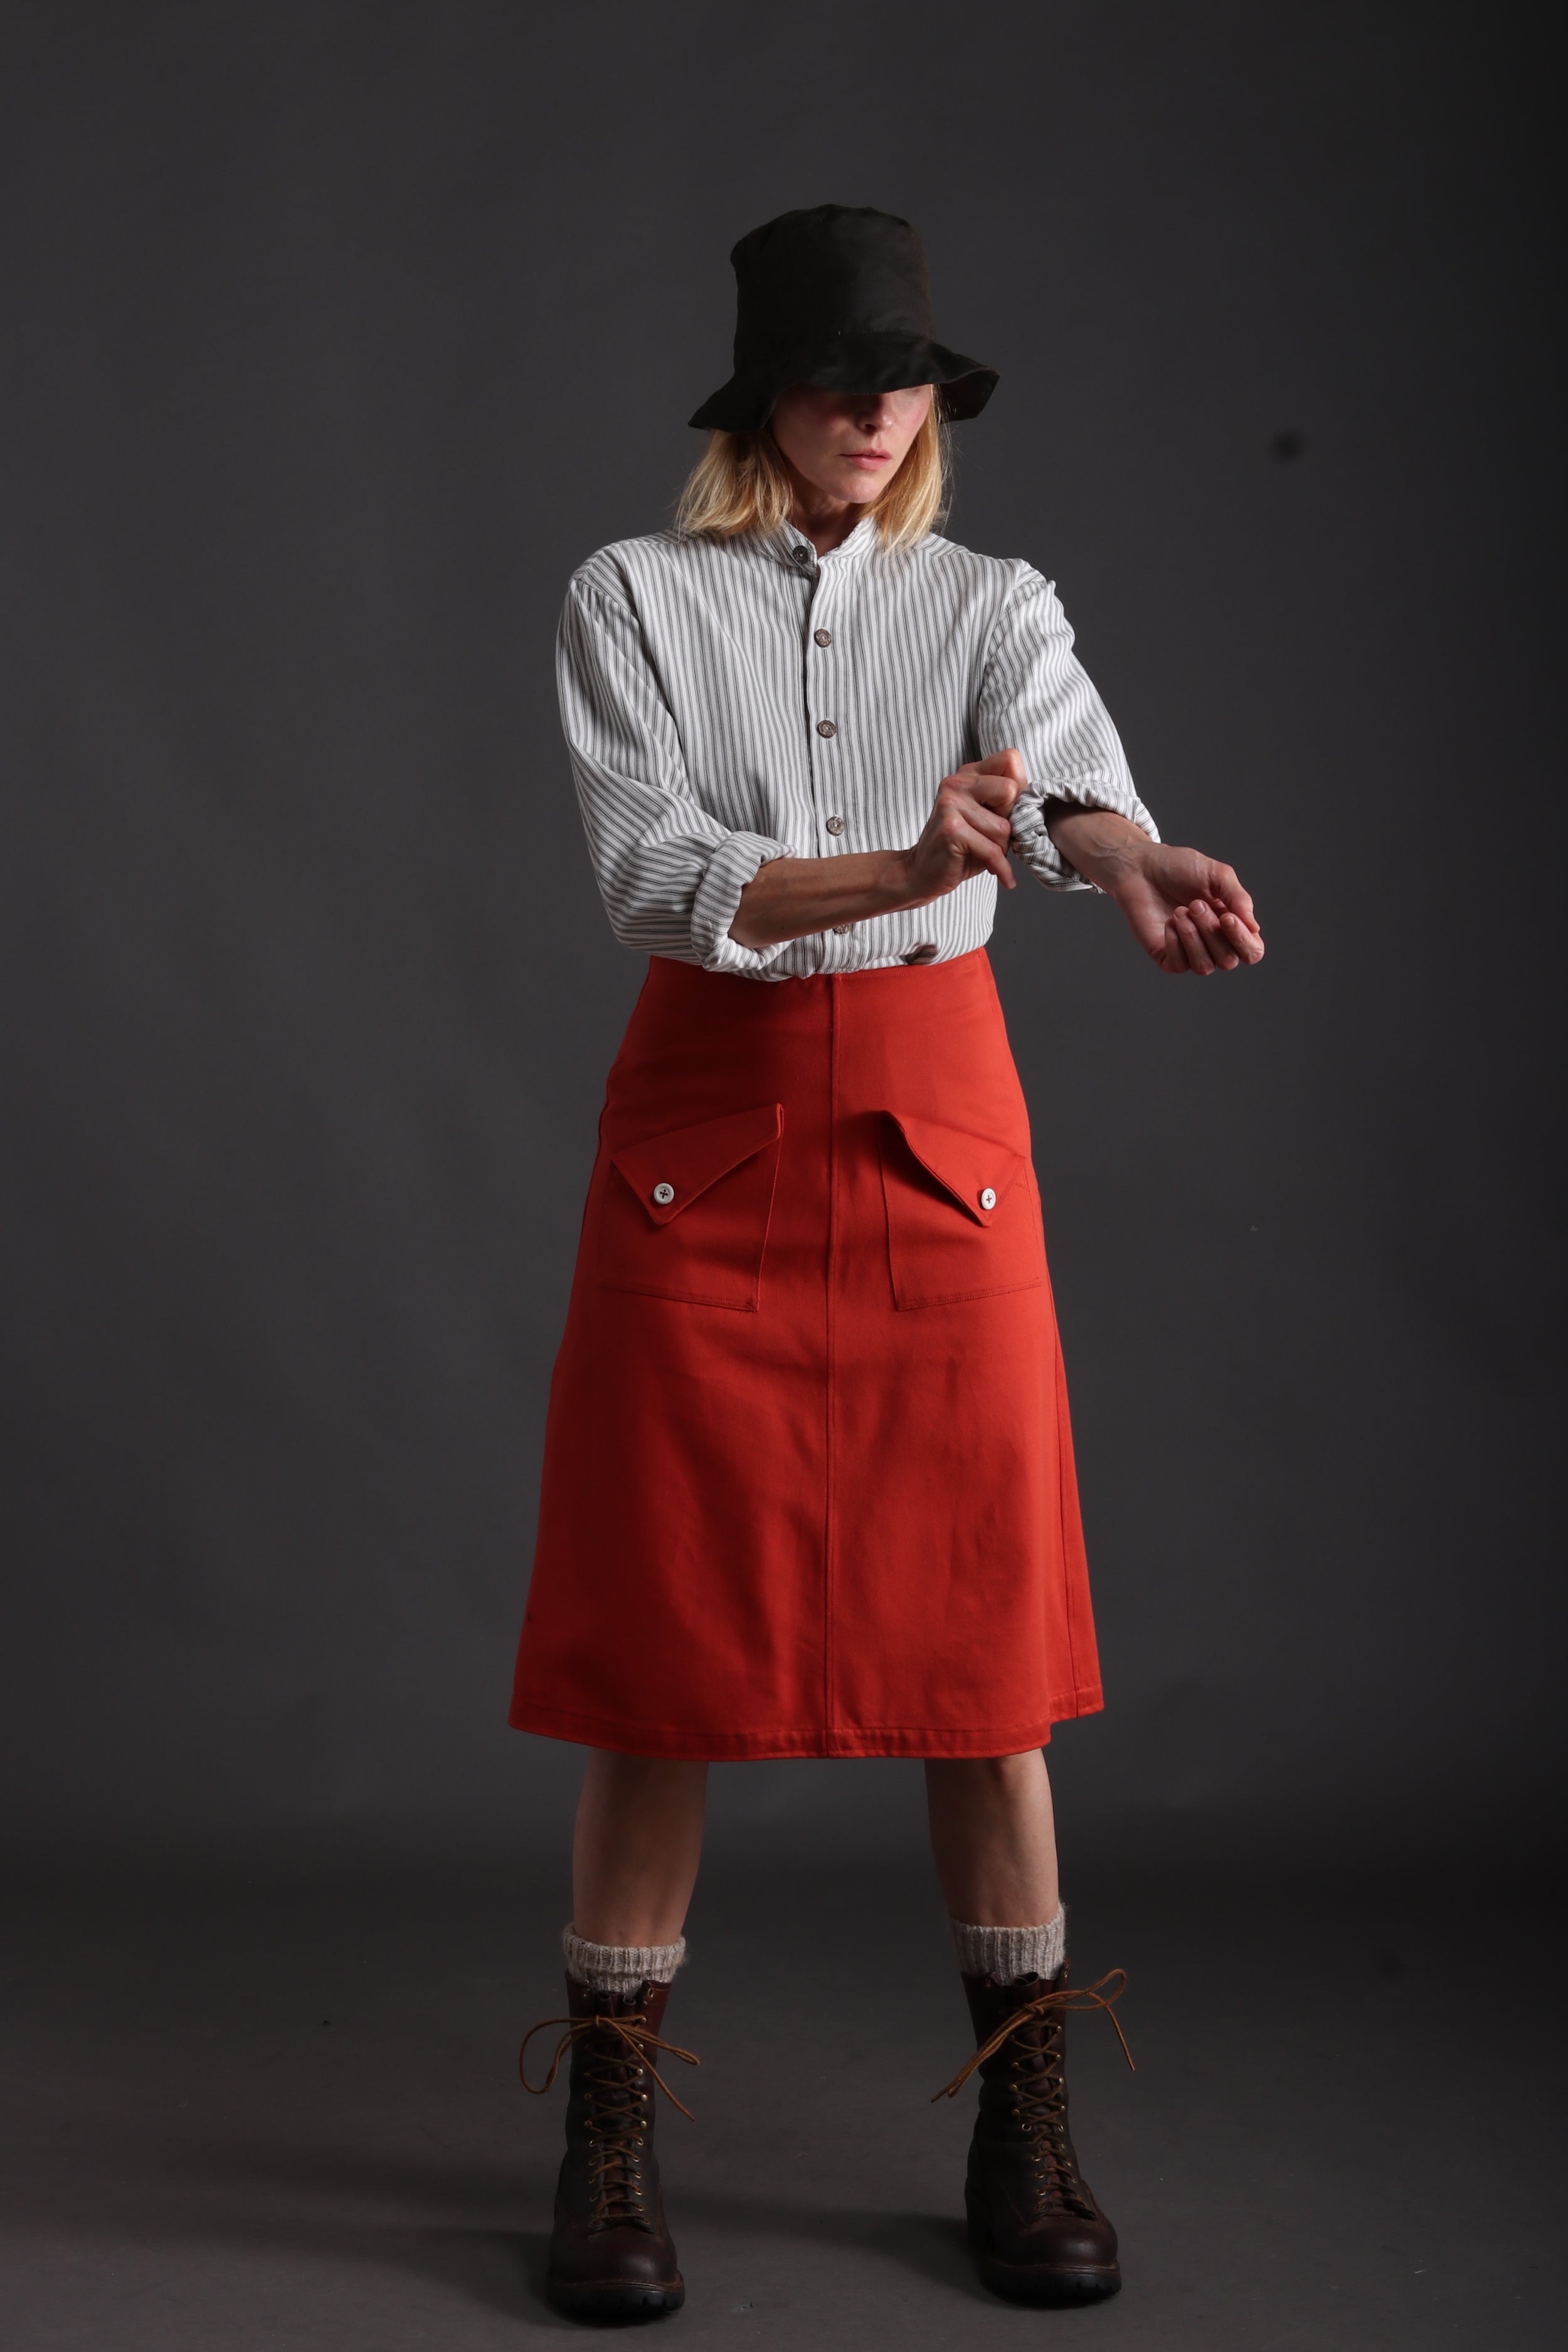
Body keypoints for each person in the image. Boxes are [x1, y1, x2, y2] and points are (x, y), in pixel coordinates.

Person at [511, 204, 1263, 2321]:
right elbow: (656, 878)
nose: (871, 405)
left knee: (989, 1661)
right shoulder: (630, 598)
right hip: (707, 1133)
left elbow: (1076, 790)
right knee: (661, 1655)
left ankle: (1025, 2133)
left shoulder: (992, 600)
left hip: (939, 1133)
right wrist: (901, 857)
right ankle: (607, 2133)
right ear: (763, 397)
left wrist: (1130, 864)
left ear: (931, 405)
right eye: (837, 373)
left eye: (902, 375)